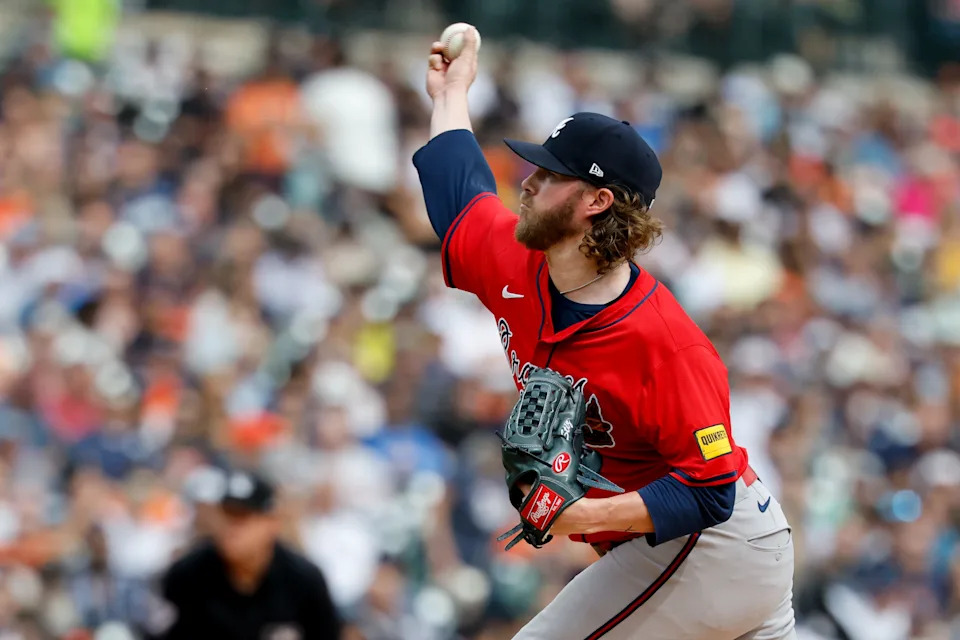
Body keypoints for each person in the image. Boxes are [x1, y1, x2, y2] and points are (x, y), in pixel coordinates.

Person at [413, 27, 796, 640]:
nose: (527, 181)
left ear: (597, 201)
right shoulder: (515, 260)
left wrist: (579, 515)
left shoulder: (664, 342)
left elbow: (710, 491)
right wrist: (451, 94)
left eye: (550, 174)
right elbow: (459, 192)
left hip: (712, 546)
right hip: (697, 556)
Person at [154, 470, 342, 640]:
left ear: (271, 523)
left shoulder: (303, 580)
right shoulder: (187, 574)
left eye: (241, 518)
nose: (230, 528)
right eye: (225, 515)